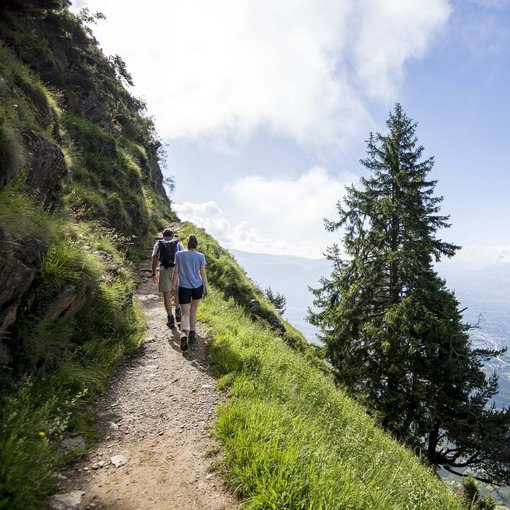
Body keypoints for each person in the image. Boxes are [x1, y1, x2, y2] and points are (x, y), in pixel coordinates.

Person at [171, 234, 208, 351]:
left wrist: (173, 286)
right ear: (196, 243)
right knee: (194, 310)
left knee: (185, 313)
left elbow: (176, 272)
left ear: (187, 242)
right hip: (197, 286)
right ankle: (192, 335)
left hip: (184, 287)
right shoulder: (200, 256)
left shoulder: (179, 255)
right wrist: (206, 287)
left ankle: (183, 334)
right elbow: (203, 273)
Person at [151, 228, 184, 328]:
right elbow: (183, 257)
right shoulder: (178, 244)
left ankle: (170, 318)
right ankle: (178, 311)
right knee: (177, 292)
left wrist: (154, 273)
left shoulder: (158, 244)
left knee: (166, 296)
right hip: (176, 270)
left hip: (164, 270)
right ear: (172, 235)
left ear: (163, 236)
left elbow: (154, 259)